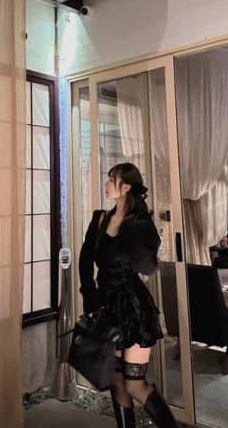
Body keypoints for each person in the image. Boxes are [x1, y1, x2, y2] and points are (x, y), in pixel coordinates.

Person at [79, 162, 179, 428]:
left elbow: (147, 267)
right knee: (117, 382)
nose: (107, 184)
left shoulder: (140, 224)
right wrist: (90, 297)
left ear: (125, 188)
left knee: (135, 384)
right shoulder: (100, 218)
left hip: (134, 307)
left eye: (111, 180)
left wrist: (137, 230)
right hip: (105, 305)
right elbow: (85, 260)